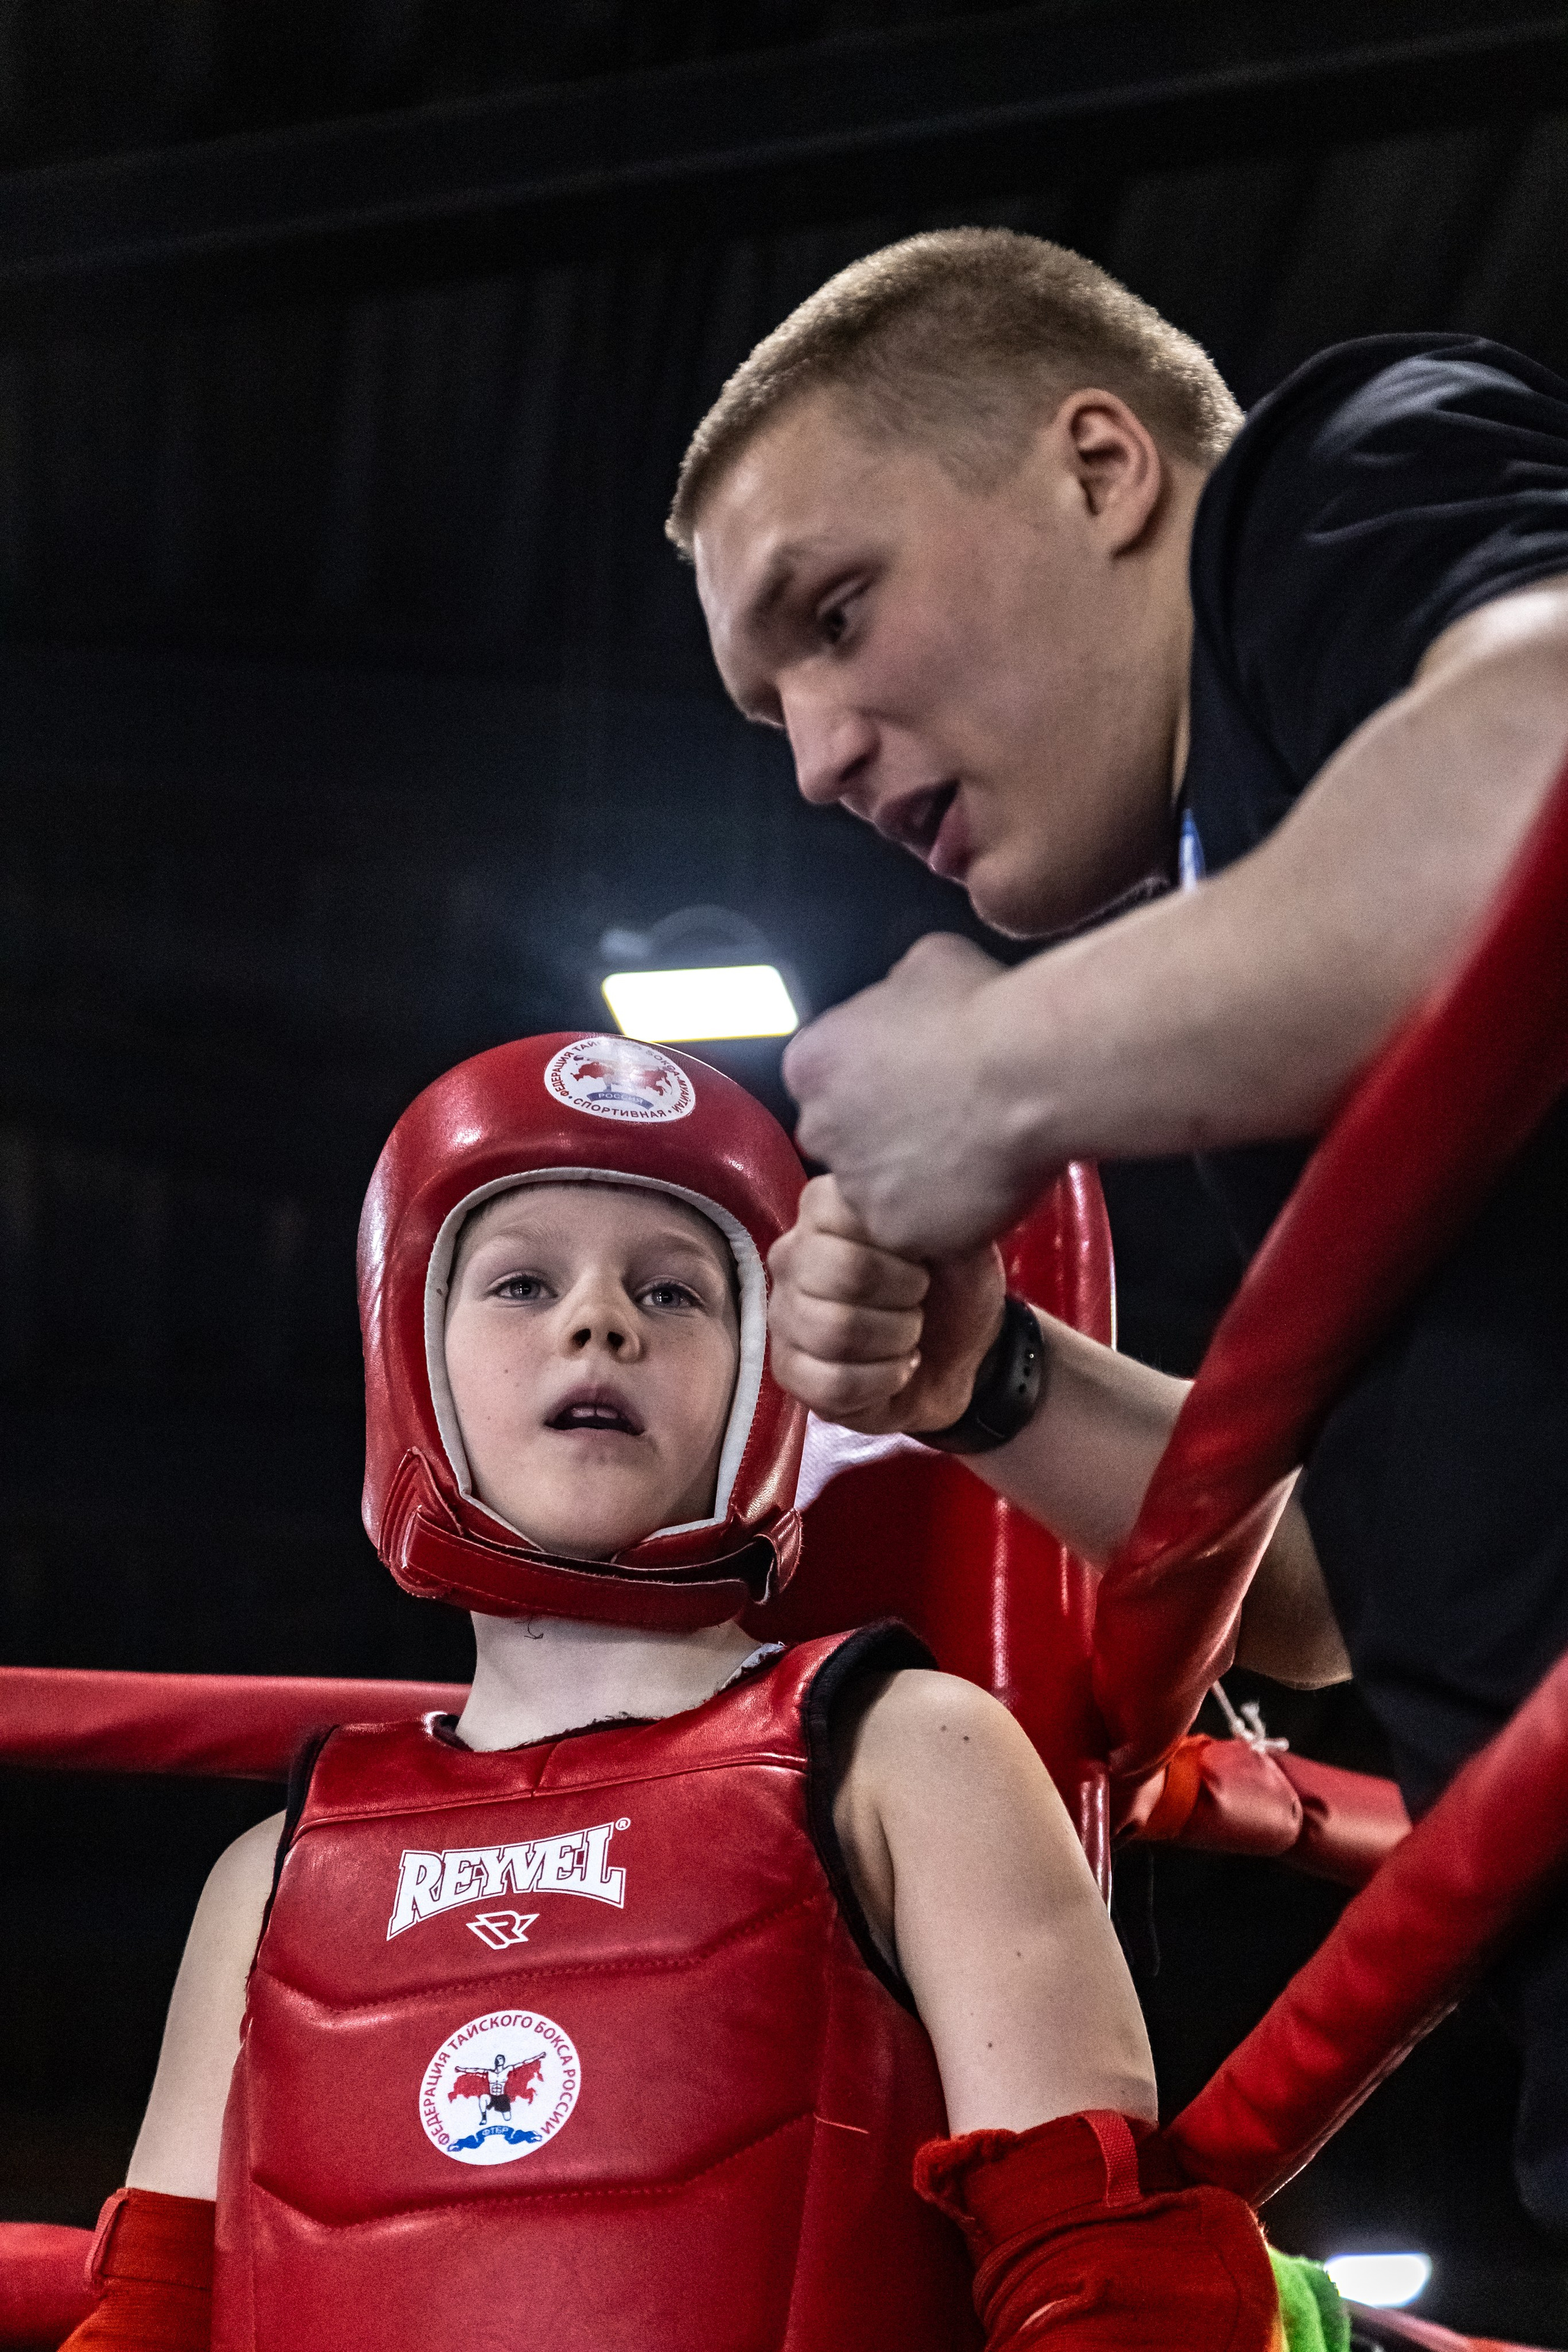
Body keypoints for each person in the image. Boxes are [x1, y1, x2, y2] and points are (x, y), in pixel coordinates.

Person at [667, 227, 1568, 2227]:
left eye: (835, 613)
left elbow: (1542, 783)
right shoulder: (1262, 938)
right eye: (768, 711)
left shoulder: (1336, 482)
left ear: (1100, 467)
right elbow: (1346, 1599)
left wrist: (988, 1072)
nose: (816, 756)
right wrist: (983, 1379)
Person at [62, 1030, 1302, 2352]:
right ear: (409, 1361)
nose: (596, 1320)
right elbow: (150, 2320)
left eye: (671, 1296)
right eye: (522, 1282)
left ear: (764, 1375)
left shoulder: (906, 1756)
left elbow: (1101, 2281)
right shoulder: (275, 1874)